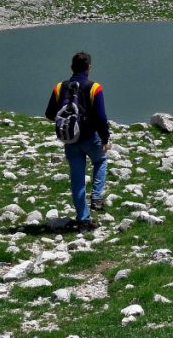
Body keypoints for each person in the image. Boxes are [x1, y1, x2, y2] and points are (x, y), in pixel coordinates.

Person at [45, 51, 110, 231]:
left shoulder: (60, 87)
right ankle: (96, 197)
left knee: (77, 180)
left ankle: (83, 220)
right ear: (89, 67)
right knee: (100, 161)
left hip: (70, 140)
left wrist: (68, 120)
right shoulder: (94, 87)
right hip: (90, 138)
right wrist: (105, 138)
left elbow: (49, 114)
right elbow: (101, 118)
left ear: (71, 68)